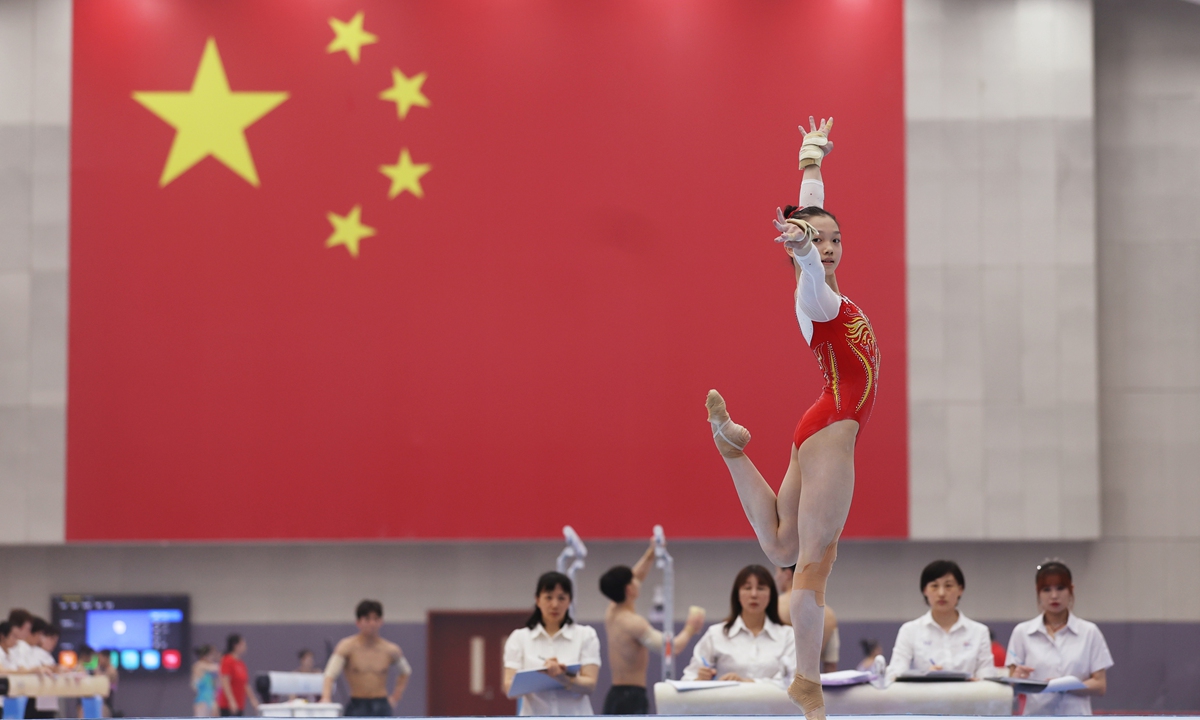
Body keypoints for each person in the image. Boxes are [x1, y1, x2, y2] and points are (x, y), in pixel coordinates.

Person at [705, 116, 879, 720]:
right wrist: (803, 248)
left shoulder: (829, 288)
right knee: (813, 562)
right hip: (833, 428)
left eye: (835, 239)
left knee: (782, 542)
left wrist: (811, 162)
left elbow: (812, 225)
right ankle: (808, 679)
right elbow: (807, 263)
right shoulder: (816, 294)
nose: (829, 246)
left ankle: (733, 452)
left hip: (820, 421)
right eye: (819, 240)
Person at [599, 543, 706, 714]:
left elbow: (636, 577)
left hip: (614, 695)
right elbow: (672, 648)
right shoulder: (634, 623)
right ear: (629, 589)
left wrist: (651, 553)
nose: (638, 580)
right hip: (632, 698)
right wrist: (690, 628)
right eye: (633, 581)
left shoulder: (611, 610)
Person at [1007, 561, 1113, 715]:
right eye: (1046, 589)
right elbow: (1010, 690)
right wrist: (1016, 680)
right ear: (1038, 593)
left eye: (1060, 588)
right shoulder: (1022, 632)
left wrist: (1064, 687)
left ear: (1071, 590)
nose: (1054, 595)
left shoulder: (1090, 632)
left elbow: (1100, 685)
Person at [502, 572, 601, 716]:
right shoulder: (519, 638)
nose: (555, 605)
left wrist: (562, 677)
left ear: (569, 601)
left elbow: (590, 685)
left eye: (561, 598)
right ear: (537, 600)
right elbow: (509, 687)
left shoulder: (586, 635)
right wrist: (541, 676)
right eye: (548, 597)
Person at [681, 565, 795, 687]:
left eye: (761, 588)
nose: (754, 594)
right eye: (747, 588)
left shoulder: (788, 636)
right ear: (737, 594)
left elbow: (792, 681)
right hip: (726, 705)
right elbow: (687, 679)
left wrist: (746, 682)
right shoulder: (716, 634)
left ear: (771, 595)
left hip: (774, 705)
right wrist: (700, 679)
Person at [885, 560, 996, 682]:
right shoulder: (909, 630)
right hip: (924, 698)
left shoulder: (979, 632)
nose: (941, 593)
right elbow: (894, 675)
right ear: (925, 591)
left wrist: (975, 683)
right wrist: (922, 676)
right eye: (934, 586)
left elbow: (988, 678)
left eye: (948, 586)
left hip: (967, 699)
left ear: (960, 589)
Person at [320, 600, 411, 716]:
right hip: (357, 704)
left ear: (381, 622)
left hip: (381, 703)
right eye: (367, 619)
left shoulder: (391, 649)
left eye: (376, 619)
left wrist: (395, 697)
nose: (372, 623)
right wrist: (326, 698)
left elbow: (405, 671)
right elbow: (330, 674)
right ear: (358, 622)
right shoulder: (347, 647)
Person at [775, 566, 840, 672]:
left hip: (777, 681)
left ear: (787, 574)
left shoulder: (775, 606)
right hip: (807, 682)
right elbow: (831, 666)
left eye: (777, 572)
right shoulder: (829, 614)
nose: (776, 577)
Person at [217, 634, 258, 717]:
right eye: (243, 644)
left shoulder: (240, 663)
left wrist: (253, 700)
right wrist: (231, 701)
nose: (245, 647)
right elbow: (225, 682)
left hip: (239, 704)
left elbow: (245, 684)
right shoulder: (227, 660)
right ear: (236, 646)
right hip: (228, 705)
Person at [192, 645, 220, 717]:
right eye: (212, 655)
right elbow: (216, 668)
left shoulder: (210, 671)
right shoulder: (199, 665)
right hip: (202, 701)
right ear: (205, 656)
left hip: (211, 701)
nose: (213, 657)